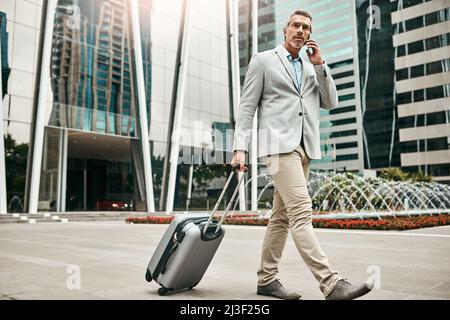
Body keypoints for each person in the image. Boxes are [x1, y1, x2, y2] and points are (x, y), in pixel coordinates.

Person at [231, 9, 373, 300]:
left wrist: (320, 65)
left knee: (280, 217)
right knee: (301, 212)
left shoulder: (312, 65)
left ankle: (266, 280)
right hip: (277, 147)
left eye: (306, 27)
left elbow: (331, 102)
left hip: (305, 148)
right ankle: (331, 283)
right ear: (285, 30)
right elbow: (247, 109)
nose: (300, 31)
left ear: (310, 33)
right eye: (295, 25)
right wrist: (240, 149)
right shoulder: (263, 61)